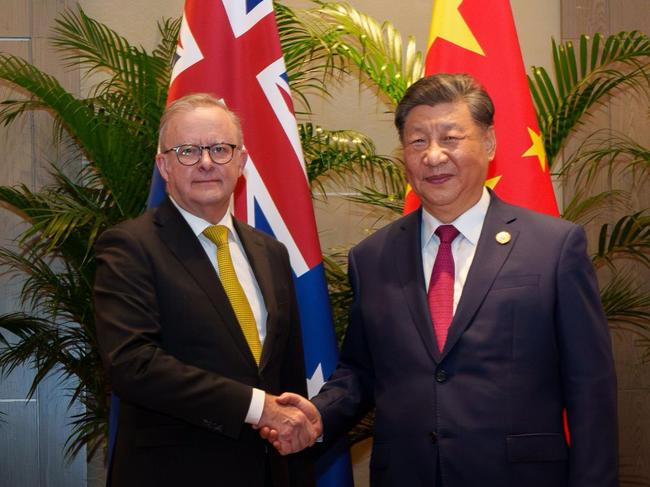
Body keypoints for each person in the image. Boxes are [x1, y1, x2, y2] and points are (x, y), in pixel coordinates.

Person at [267, 73, 618, 486]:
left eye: (450, 138)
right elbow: (362, 371)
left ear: (489, 143)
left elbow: (590, 391)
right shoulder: (373, 257)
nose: (433, 156)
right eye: (418, 141)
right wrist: (318, 416)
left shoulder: (554, 247)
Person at [94, 93, 320, 487]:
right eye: (187, 151)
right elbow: (133, 364)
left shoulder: (271, 253)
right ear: (163, 165)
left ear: (241, 162)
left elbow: (287, 374)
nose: (205, 163)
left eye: (220, 149)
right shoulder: (130, 247)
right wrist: (257, 408)